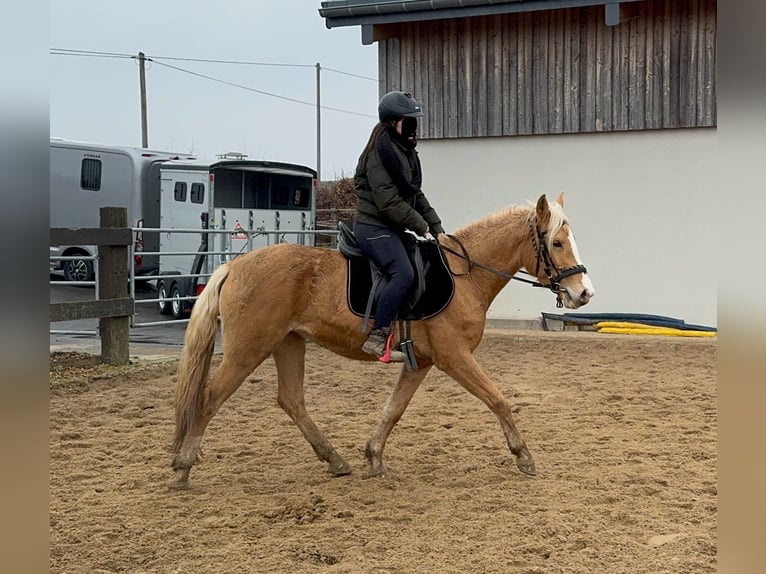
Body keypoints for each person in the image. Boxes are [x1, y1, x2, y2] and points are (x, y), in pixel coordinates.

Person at [353, 90, 445, 362]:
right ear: (394, 122)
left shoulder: (405, 152)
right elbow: (388, 202)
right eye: (410, 121)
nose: (415, 128)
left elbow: (415, 194)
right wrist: (421, 226)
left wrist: (437, 227)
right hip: (373, 227)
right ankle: (378, 335)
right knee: (403, 273)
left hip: (391, 227)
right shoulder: (378, 154)